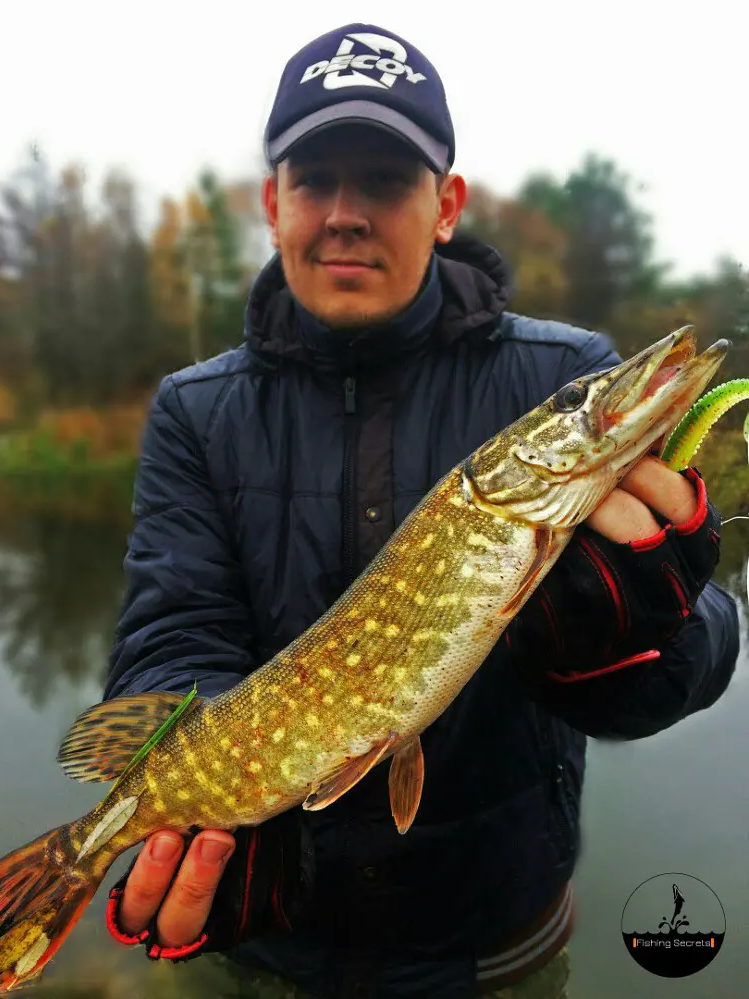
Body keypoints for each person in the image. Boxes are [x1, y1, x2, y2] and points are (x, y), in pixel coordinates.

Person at [101, 23, 740, 999]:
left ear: (444, 206)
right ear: (272, 205)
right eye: (315, 180)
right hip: (259, 953)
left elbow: (700, 645)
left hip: (491, 957)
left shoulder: (563, 375)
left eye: (386, 181)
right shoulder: (196, 410)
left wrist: (651, 634)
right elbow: (170, 634)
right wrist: (210, 802)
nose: (346, 214)